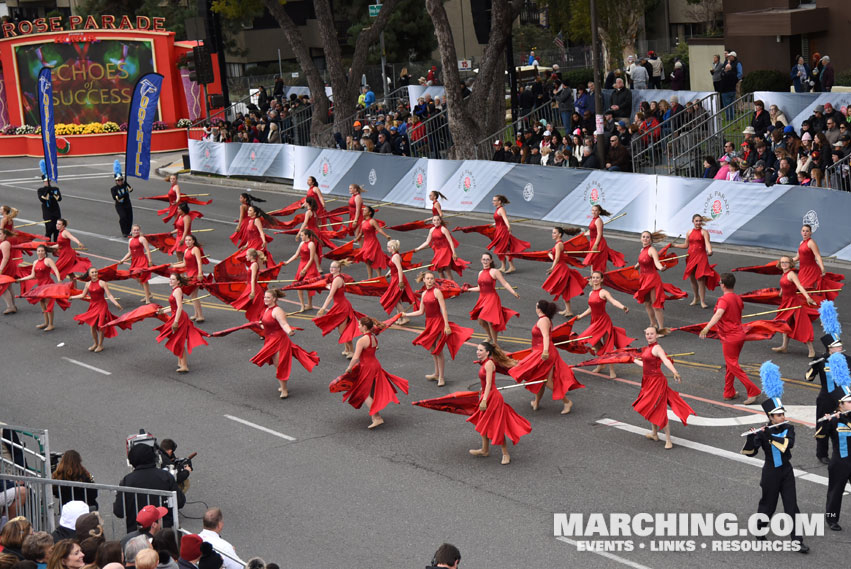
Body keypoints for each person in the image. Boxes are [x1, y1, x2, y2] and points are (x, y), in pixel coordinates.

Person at [741, 383, 809, 552]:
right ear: (771, 417)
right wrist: (752, 437)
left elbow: (788, 445)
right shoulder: (763, 432)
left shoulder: (788, 428)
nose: (782, 417)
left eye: (782, 414)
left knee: (792, 506)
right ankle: (759, 530)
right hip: (771, 472)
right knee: (768, 505)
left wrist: (769, 436)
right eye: (778, 415)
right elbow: (750, 453)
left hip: (786, 471)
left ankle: (797, 541)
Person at [510, 300, 584, 414]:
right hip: (541, 351)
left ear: (539, 309)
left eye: (536, 306)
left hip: (544, 353)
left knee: (546, 381)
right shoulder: (544, 319)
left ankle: (567, 402)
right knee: (540, 378)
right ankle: (536, 402)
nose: (535, 308)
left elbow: (545, 336)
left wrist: (545, 352)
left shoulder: (543, 321)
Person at [334, 317, 409, 429]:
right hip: (375, 365)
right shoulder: (373, 337)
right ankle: (375, 417)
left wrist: (349, 367)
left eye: (359, 325)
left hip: (367, 367)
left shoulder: (361, 340)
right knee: (371, 391)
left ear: (364, 327)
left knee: (363, 393)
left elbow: (355, 357)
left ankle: (377, 417)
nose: (358, 327)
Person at [402, 272, 473, 387]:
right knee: (432, 349)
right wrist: (406, 314)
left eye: (431, 278)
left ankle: (441, 377)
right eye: (428, 278)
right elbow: (421, 311)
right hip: (429, 323)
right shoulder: (424, 293)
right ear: (424, 280)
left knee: (438, 350)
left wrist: (446, 325)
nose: (430, 280)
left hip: (438, 322)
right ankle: (436, 373)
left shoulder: (437, 292)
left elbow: (444, 309)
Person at [699, 273, 761, 404]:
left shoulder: (723, 300)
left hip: (730, 336)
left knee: (733, 365)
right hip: (739, 334)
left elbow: (719, 314)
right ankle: (728, 391)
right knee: (730, 364)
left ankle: (753, 390)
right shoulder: (737, 298)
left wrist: (707, 328)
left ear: (723, 285)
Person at [467, 342, 531, 465]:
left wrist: (485, 400)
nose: (477, 352)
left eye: (480, 350)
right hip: (486, 395)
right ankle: (485, 450)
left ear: (487, 352)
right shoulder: (485, 363)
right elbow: (485, 383)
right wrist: (482, 392)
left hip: (492, 398)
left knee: (496, 425)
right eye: (477, 350)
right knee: (483, 423)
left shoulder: (489, 364)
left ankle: (505, 454)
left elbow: (490, 383)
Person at [632, 327, 695, 449]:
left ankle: (668, 440)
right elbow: (645, 365)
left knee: (659, 408)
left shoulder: (657, 348)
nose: (649, 336)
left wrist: (675, 372)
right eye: (647, 334)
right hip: (647, 381)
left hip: (657, 382)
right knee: (651, 406)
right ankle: (654, 433)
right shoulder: (648, 348)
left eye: (651, 334)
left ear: (657, 335)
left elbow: (666, 361)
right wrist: (633, 360)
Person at [251, 289, 319, 398]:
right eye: (264, 297)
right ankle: (282, 385)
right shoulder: (266, 309)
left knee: (281, 365)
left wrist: (289, 331)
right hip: (270, 340)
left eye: (268, 297)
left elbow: (283, 324)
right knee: (277, 365)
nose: (265, 299)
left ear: (274, 299)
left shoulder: (278, 311)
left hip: (279, 341)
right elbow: (266, 325)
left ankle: (284, 389)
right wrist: (259, 325)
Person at [575, 271, 634, 378]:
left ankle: (612, 370)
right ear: (591, 279)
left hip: (604, 321)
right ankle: (601, 364)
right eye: (593, 277)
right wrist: (580, 316)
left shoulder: (604, 292)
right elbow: (590, 308)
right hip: (594, 321)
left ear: (601, 279)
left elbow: (613, 301)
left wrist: (623, 307)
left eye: (597, 278)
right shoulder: (591, 293)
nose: (595, 279)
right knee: (595, 343)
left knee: (608, 345)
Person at [113, 444, 185, 533]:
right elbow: (180, 502)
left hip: (137, 533)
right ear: (154, 458)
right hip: (164, 533)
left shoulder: (126, 481)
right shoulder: (166, 477)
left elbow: (119, 512)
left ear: (131, 461)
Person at [815, 375, 851, 530]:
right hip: (839, 462)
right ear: (840, 404)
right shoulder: (834, 420)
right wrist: (826, 422)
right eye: (849, 402)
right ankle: (831, 519)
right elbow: (820, 436)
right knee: (835, 492)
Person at [154, 273, 210, 374]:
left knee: (178, 340)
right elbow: (173, 308)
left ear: (178, 281)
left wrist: (175, 322)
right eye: (170, 279)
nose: (170, 281)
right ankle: (181, 362)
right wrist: (163, 312)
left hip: (179, 318)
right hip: (176, 316)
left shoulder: (177, 291)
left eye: (173, 279)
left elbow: (179, 307)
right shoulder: (175, 290)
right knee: (176, 339)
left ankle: (184, 365)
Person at [466, 252, 520, 345]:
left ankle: (495, 344)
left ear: (491, 260)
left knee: (489, 320)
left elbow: (505, 283)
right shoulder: (480, 273)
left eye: (487, 259)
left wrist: (513, 292)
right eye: (484, 259)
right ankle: (490, 337)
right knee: (481, 321)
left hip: (492, 298)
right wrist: (467, 289)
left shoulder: (494, 271)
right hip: (482, 298)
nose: (485, 261)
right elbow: (479, 288)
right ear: (481, 260)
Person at [314, 261, 365, 358]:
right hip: (339, 306)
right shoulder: (337, 278)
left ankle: (352, 351)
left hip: (342, 307)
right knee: (341, 329)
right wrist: (330, 286)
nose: (331, 268)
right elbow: (336, 289)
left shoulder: (337, 279)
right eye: (331, 267)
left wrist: (323, 308)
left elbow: (330, 296)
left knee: (343, 331)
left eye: (334, 267)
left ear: (339, 269)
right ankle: (346, 349)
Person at [771, 257, 817, 358]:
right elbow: (785, 285)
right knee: (785, 323)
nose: (783, 264)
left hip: (794, 302)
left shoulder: (791, 274)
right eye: (782, 262)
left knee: (801, 325)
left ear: (790, 263)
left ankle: (811, 349)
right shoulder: (784, 273)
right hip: (786, 302)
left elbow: (799, 286)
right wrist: (781, 293)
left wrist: (808, 297)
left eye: (786, 262)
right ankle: (784, 346)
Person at [671, 214, 719, 308]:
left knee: (701, 279)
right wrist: (675, 245)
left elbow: (707, 243)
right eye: (696, 221)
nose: (698, 223)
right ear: (693, 221)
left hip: (701, 257)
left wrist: (710, 251)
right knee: (692, 278)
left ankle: (702, 301)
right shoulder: (689, 232)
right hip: (691, 257)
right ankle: (696, 297)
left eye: (700, 221)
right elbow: (686, 245)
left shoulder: (704, 232)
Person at [70, 268, 123, 352]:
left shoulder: (102, 283)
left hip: (102, 305)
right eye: (92, 272)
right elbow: (83, 295)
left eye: (96, 272)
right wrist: (71, 297)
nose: (94, 273)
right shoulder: (87, 284)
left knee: (101, 325)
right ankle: (95, 343)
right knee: (92, 326)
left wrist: (116, 303)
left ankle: (100, 345)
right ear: (89, 274)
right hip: (93, 305)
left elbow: (109, 295)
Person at [17, 243, 67, 331]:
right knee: (42, 304)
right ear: (36, 252)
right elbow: (33, 275)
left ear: (45, 252)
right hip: (40, 286)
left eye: (42, 251)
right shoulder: (35, 262)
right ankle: (46, 322)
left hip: (48, 285)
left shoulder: (48, 260)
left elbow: (55, 270)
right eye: (39, 251)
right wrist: (21, 279)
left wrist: (59, 280)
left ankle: (51, 324)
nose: (40, 252)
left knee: (48, 304)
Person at [542, 226, 587, 317]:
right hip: (560, 267)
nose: (553, 234)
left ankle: (569, 310)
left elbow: (557, 258)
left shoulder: (558, 244)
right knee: (564, 289)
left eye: (554, 233)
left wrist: (552, 267)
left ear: (559, 234)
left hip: (561, 269)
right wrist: (550, 255)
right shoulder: (558, 244)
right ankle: (568, 310)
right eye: (552, 232)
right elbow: (556, 258)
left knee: (563, 288)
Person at [793, 224, 843, 301]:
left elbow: (818, 256)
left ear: (810, 233)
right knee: (801, 291)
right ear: (801, 232)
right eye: (803, 231)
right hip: (803, 271)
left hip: (811, 271)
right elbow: (797, 257)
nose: (805, 233)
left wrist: (822, 268)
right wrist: (785, 261)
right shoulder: (801, 243)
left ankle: (813, 308)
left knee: (805, 290)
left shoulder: (811, 243)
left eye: (807, 231)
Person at [634, 231, 670, 335]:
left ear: (651, 240)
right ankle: (653, 324)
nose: (645, 239)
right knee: (647, 303)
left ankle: (661, 329)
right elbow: (641, 260)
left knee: (655, 304)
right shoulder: (642, 250)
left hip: (652, 279)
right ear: (641, 238)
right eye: (643, 237)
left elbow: (656, 262)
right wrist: (636, 266)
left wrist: (661, 268)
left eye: (647, 237)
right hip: (644, 279)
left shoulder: (652, 250)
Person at [487, 195, 530, 274]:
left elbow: (505, 219)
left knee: (504, 249)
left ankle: (511, 266)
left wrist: (509, 226)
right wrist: (494, 224)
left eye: (494, 200)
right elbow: (499, 221)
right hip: (499, 231)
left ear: (499, 201)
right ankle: (503, 267)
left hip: (503, 231)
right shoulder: (498, 209)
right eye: (493, 200)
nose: (492, 202)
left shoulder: (501, 209)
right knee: (501, 249)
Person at [282, 230, 321, 313]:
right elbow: (296, 255)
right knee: (299, 284)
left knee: (308, 285)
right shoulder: (301, 243)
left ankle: (310, 304)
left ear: (307, 235)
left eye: (302, 235)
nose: (301, 237)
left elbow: (311, 259)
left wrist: (305, 269)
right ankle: (302, 305)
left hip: (309, 266)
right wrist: (287, 262)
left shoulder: (311, 244)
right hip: (302, 265)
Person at [170, 235, 205, 323]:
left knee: (194, 295)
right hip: (189, 275)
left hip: (195, 274)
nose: (188, 242)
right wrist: (173, 265)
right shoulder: (186, 250)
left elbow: (199, 261)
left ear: (193, 241)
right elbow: (184, 264)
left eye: (189, 240)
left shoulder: (195, 249)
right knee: (193, 295)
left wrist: (200, 273)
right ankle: (196, 314)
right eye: (186, 240)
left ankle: (200, 315)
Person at [379, 239, 416, 320]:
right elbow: (394, 267)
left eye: (388, 246)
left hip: (397, 279)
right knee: (397, 299)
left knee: (394, 299)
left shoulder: (395, 257)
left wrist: (400, 282)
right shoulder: (395, 256)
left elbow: (399, 269)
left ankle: (405, 317)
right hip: (394, 278)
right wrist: (388, 274)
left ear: (392, 247)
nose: (387, 248)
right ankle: (400, 317)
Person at [583, 205, 626, 272]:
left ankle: (598, 279)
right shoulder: (594, 220)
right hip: (593, 242)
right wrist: (586, 234)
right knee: (596, 262)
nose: (594, 212)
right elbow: (593, 231)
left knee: (598, 263)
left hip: (598, 243)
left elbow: (599, 234)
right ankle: (599, 279)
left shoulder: (598, 220)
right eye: (592, 210)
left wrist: (596, 244)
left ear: (599, 212)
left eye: (596, 210)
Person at [354, 206, 391, 279]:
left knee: (375, 259)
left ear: (369, 213)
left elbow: (379, 229)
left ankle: (379, 277)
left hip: (373, 243)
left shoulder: (372, 221)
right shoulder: (363, 222)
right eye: (363, 210)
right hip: (366, 243)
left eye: (365, 210)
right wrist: (356, 239)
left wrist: (386, 236)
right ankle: (370, 278)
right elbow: (361, 233)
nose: (363, 211)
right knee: (367, 260)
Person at [119, 225, 153, 304]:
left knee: (143, 279)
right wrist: (122, 260)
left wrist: (150, 261)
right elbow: (130, 252)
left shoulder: (142, 239)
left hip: (142, 260)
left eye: (137, 230)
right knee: (138, 279)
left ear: (140, 231)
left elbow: (148, 250)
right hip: (135, 261)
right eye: (135, 230)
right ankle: (149, 294)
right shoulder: (130, 240)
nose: (136, 231)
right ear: (132, 231)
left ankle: (147, 299)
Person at [231, 249, 266, 324]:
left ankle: (261, 326)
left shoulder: (254, 265)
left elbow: (253, 279)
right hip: (251, 286)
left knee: (257, 308)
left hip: (254, 288)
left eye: (247, 255)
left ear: (251, 256)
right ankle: (259, 325)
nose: (246, 256)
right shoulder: (253, 264)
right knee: (254, 307)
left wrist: (253, 291)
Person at [110, 166, 133, 238]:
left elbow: (131, 189)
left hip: (127, 204)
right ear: (115, 181)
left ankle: (129, 231)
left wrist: (128, 188)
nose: (120, 181)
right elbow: (117, 198)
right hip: (120, 205)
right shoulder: (113, 189)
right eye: (118, 180)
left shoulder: (125, 184)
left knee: (129, 218)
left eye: (121, 179)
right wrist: (126, 193)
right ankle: (124, 232)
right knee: (123, 217)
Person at [38, 176, 62, 241]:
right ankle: (48, 243)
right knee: (49, 228)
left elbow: (59, 199)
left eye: (48, 181)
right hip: (47, 212)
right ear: (43, 181)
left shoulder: (55, 189)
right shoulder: (40, 190)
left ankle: (56, 244)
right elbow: (42, 199)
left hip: (55, 210)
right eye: (45, 181)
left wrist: (52, 193)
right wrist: (46, 192)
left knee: (57, 229)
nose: (47, 182)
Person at [0, 229, 18, 314]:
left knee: (2, 286)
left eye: (0, 234)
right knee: (8, 286)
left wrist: (1, 269)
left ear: (4, 235)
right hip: (5, 266)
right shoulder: (2, 242)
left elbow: (5, 257)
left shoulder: (4, 243)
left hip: (5, 266)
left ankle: (10, 306)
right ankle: (12, 306)